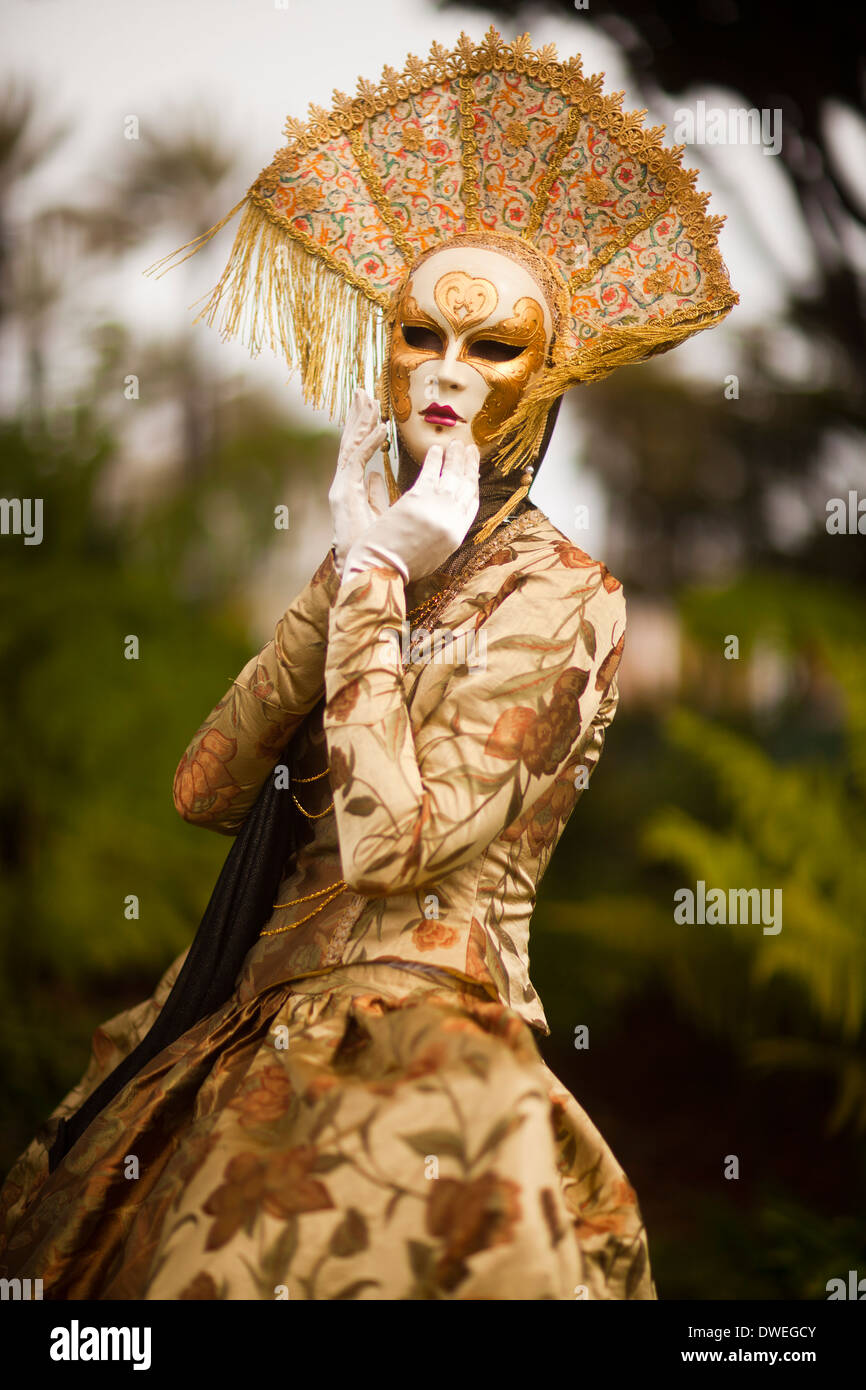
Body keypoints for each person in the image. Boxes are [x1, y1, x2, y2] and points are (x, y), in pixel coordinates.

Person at [0, 28, 736, 1300]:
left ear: (545, 376)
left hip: (426, 1050)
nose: (447, 373)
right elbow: (206, 790)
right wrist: (357, 567)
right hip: (237, 1017)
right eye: (420, 333)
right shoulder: (367, 553)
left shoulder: (570, 597)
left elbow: (395, 844)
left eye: (493, 346)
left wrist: (381, 582)